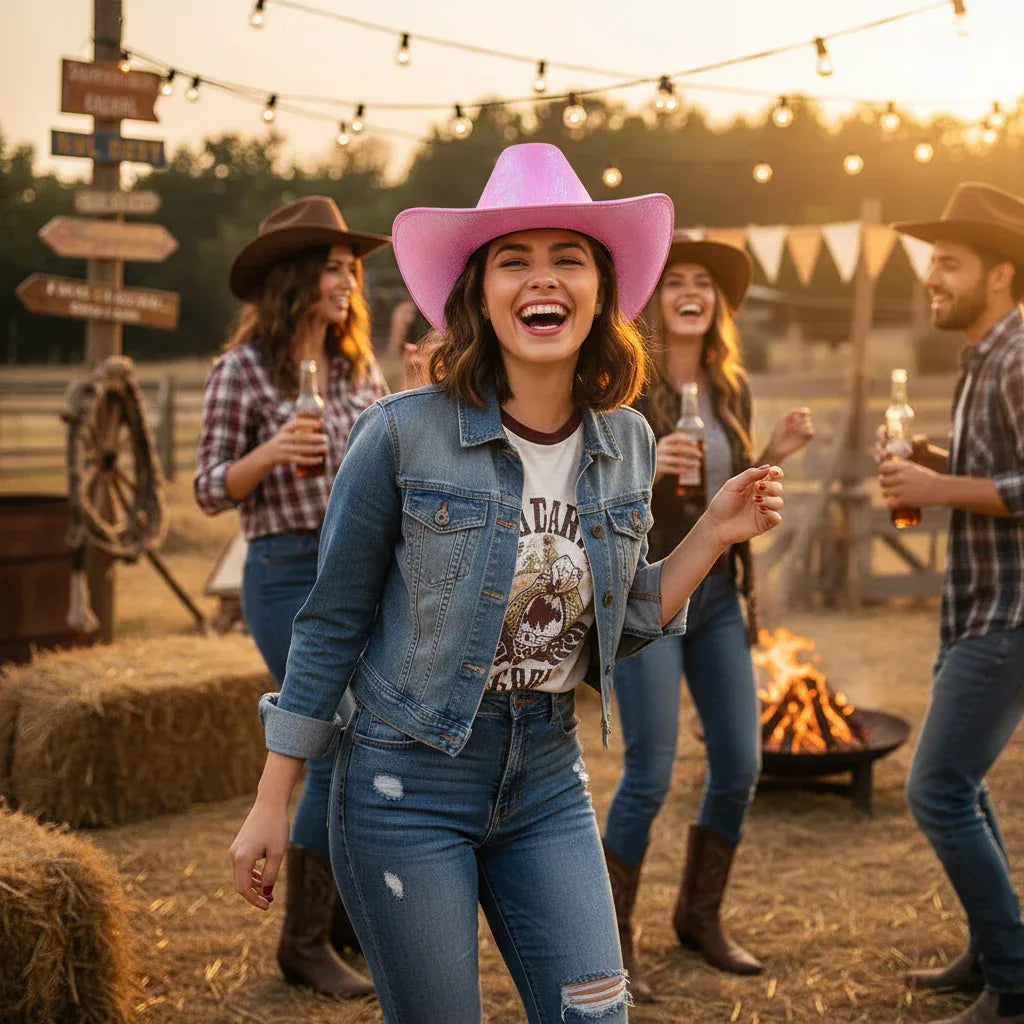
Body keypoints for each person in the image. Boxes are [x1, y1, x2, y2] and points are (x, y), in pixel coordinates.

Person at [228, 143, 785, 1024]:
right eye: (513, 261)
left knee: (596, 1014)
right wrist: (272, 798)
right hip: (404, 783)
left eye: (568, 258)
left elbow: (627, 620)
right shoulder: (402, 434)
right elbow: (330, 622)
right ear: (479, 295)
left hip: (547, 779)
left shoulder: (627, 442)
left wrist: (713, 532)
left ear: (600, 289)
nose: (543, 280)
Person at [600, 236, 814, 997]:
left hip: (721, 599)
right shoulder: (620, 385)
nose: (691, 291)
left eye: (704, 284)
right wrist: (646, 466)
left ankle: (699, 918)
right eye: (675, 281)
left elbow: (727, 494)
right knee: (651, 771)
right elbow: (593, 490)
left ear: (717, 306)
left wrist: (773, 451)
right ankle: (609, 944)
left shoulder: (730, 385)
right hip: (651, 593)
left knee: (740, 765)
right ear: (654, 302)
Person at [195, 195, 389, 999]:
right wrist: (272, 450)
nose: (349, 282)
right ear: (296, 279)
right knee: (328, 736)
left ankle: (338, 918)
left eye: (352, 269)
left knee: (369, 737)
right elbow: (209, 488)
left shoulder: (355, 370)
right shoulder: (239, 372)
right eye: (335, 268)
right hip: (280, 570)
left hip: (359, 569)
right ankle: (303, 941)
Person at [885, 182, 1024, 1024]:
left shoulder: (1017, 355)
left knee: (935, 788)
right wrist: (937, 461)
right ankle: (994, 946)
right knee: (963, 786)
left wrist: (940, 483)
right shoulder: (985, 354)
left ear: (1001, 274)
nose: (931, 277)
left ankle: (1012, 987)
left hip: (1011, 612)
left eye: (949, 263)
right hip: (977, 604)